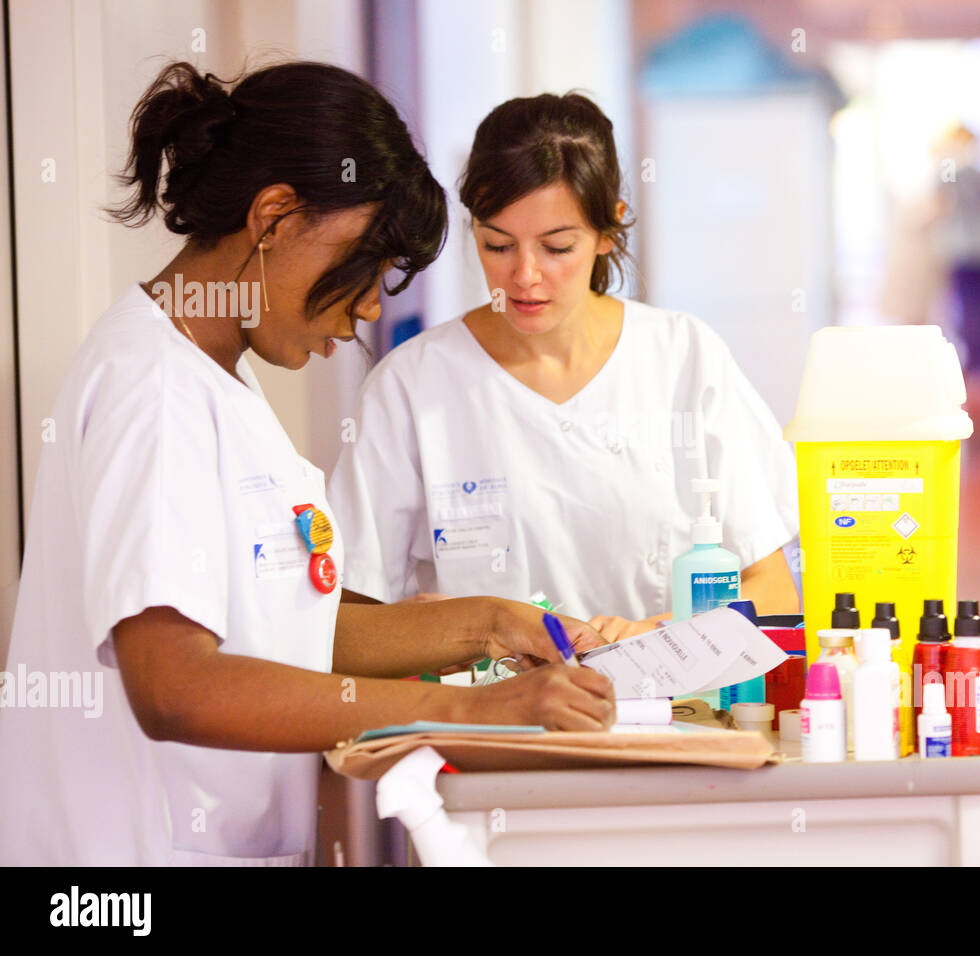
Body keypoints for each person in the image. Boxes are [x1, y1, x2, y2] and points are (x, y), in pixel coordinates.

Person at [0, 62, 613, 866]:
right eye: (365, 269)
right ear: (276, 217)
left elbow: (291, 625)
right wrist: (466, 710)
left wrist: (493, 622)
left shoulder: (217, 379)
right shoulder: (153, 389)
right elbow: (174, 686)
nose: (366, 310)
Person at [328, 93, 801, 640]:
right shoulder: (412, 384)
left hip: (676, 709)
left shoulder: (683, 357)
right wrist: (438, 630)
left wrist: (652, 635)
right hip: (493, 717)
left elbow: (771, 589)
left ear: (608, 230)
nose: (525, 275)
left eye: (557, 247)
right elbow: (351, 619)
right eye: (497, 245)